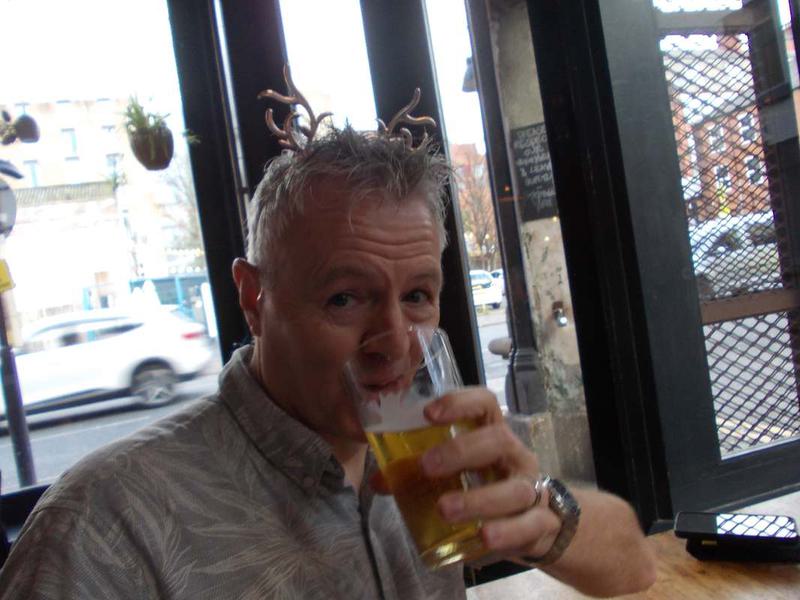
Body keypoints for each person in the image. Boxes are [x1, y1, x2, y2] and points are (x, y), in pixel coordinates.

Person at [0, 80, 656, 599]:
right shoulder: (104, 528)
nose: (394, 343)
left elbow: (634, 564)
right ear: (254, 300)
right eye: (345, 297)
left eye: (417, 296)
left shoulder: (434, 457)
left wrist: (539, 511)